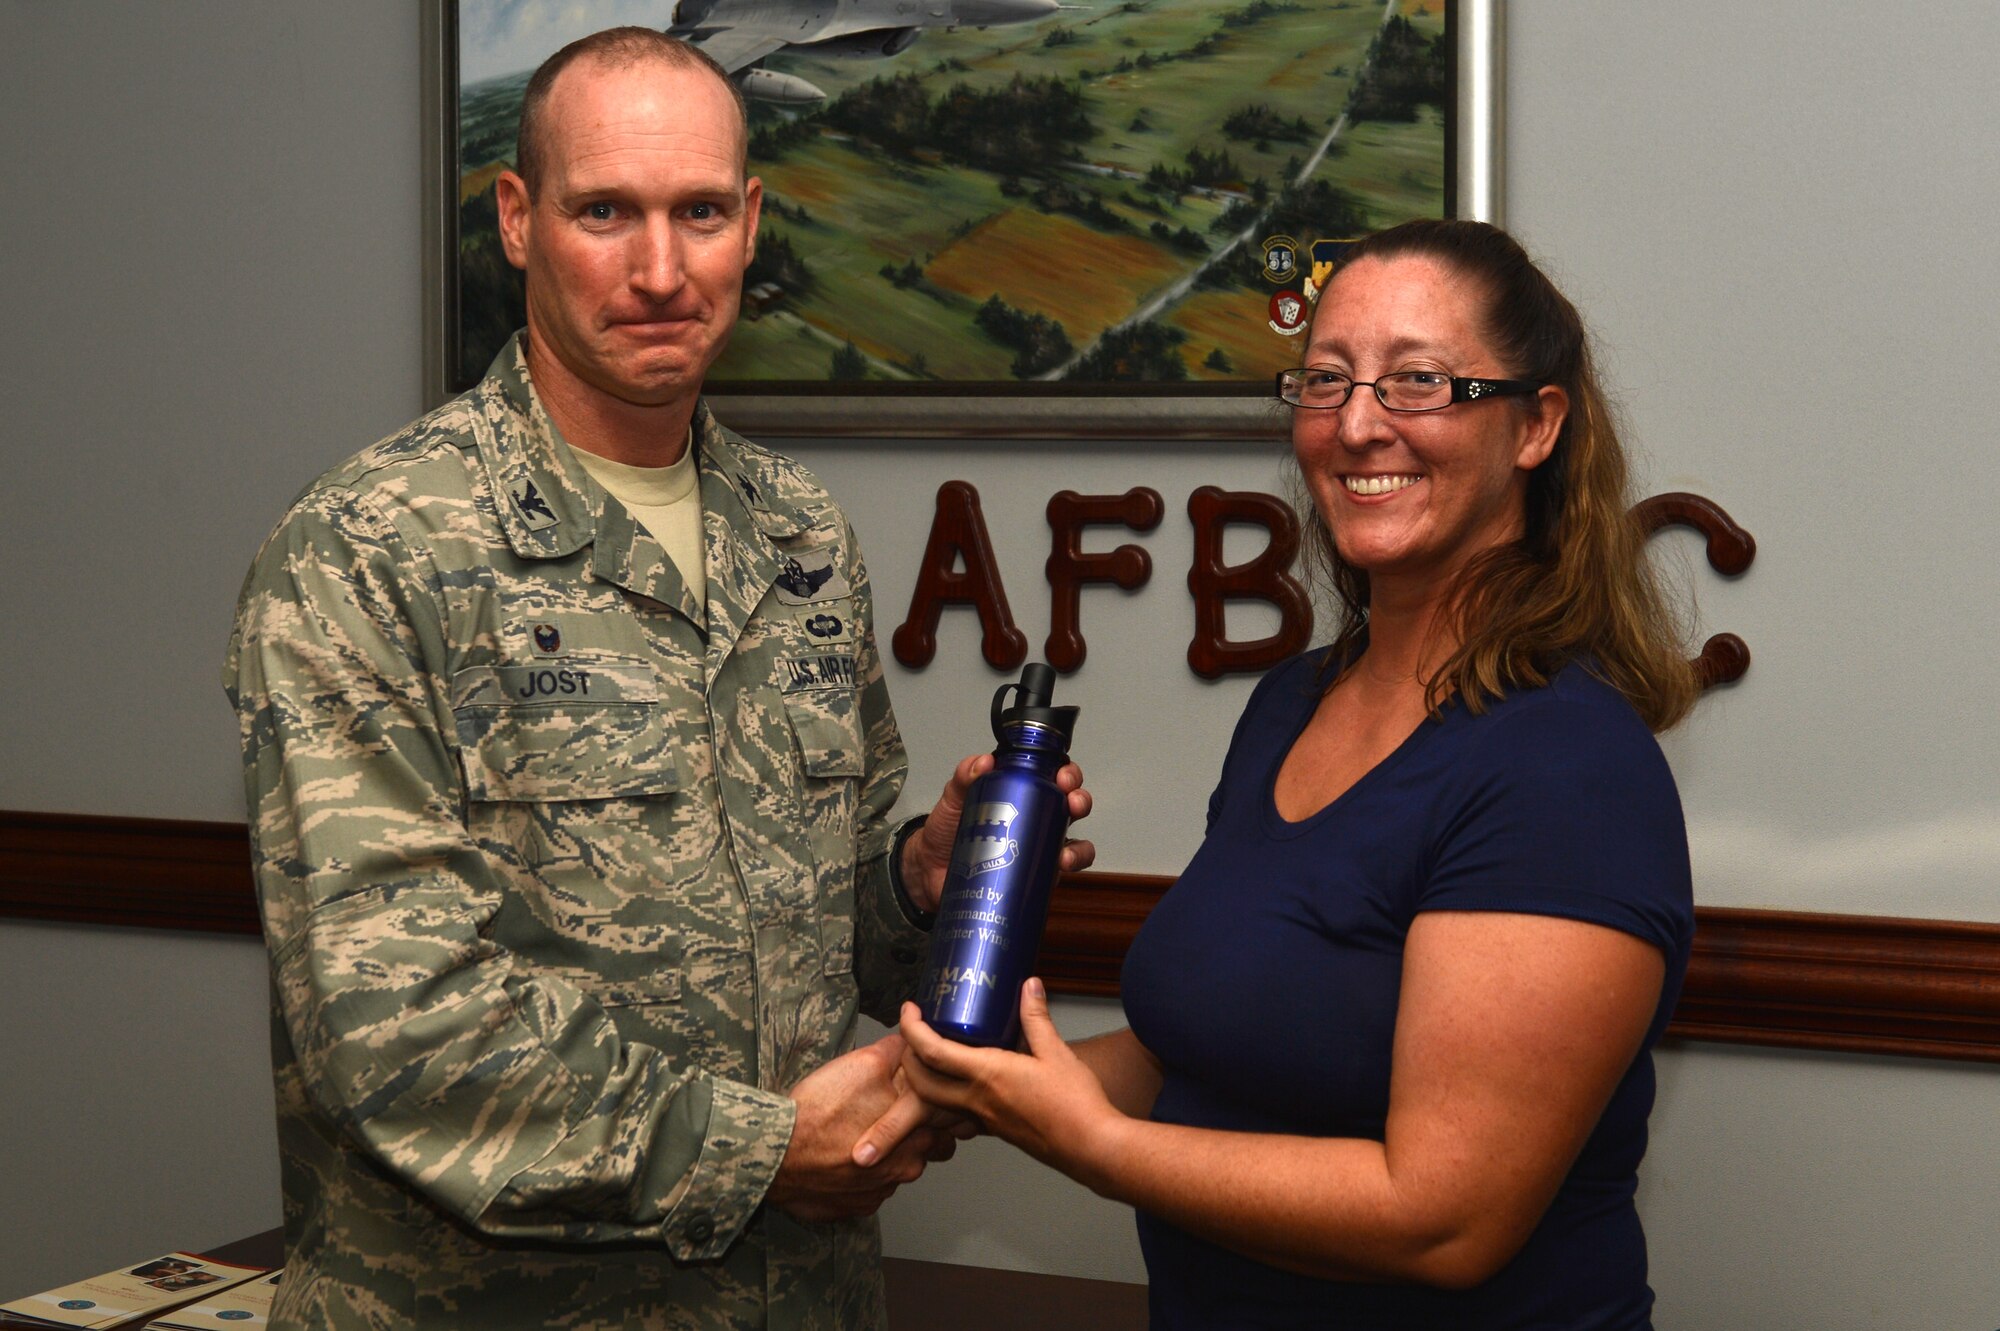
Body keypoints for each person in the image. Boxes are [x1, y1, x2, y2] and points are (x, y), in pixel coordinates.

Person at [223, 28, 1090, 1331]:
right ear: (518, 220)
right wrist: (751, 1150)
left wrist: (918, 878)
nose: (660, 270)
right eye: (604, 212)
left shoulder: (799, 534)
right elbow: (395, 1032)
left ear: (751, 221)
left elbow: (814, 936)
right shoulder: (372, 546)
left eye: (697, 212)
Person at [886, 219, 1698, 1329]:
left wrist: (1095, 1144)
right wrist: (991, 1087)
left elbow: (1441, 1218)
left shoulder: (1565, 763)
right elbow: (1215, 1052)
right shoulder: (1292, 701)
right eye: (1326, 380)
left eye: (1418, 381)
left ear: (1534, 425)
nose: (1358, 425)